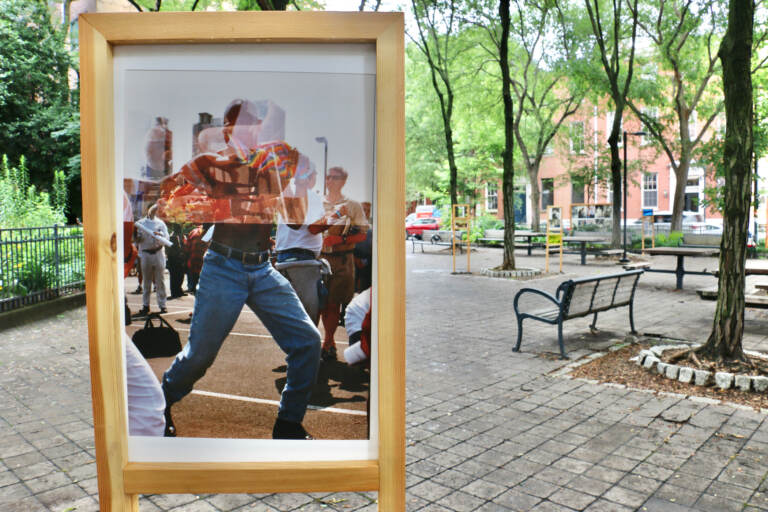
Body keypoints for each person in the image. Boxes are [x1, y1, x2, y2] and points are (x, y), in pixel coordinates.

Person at [157, 98, 321, 440]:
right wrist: (201, 206)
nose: (254, 129)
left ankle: (288, 423)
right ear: (229, 130)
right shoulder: (211, 164)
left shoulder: (277, 163)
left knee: (307, 341)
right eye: (245, 122)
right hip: (223, 267)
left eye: (257, 123)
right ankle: (159, 406)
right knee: (199, 356)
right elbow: (167, 199)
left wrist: (301, 184)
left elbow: (298, 213)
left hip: (263, 269)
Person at [318, 167, 369, 362]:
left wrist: (339, 240)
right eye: (327, 177)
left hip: (342, 259)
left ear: (344, 180)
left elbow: (362, 233)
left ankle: (328, 342)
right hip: (319, 258)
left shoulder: (353, 205)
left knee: (333, 303)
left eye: (334, 177)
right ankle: (326, 344)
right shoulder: (318, 202)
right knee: (320, 304)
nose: (329, 180)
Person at [135, 203, 169, 316]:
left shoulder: (160, 223)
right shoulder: (140, 223)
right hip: (145, 253)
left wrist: (159, 235)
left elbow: (166, 239)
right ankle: (145, 305)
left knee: (160, 280)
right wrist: (137, 237)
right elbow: (136, 240)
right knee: (147, 280)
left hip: (158, 252)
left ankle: (163, 305)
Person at [166, 223, 187, 299]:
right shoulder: (172, 236)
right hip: (174, 259)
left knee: (180, 276)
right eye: (179, 227)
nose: (180, 228)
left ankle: (179, 290)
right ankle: (174, 292)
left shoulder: (179, 235)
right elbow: (172, 249)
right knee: (174, 276)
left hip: (179, 259)